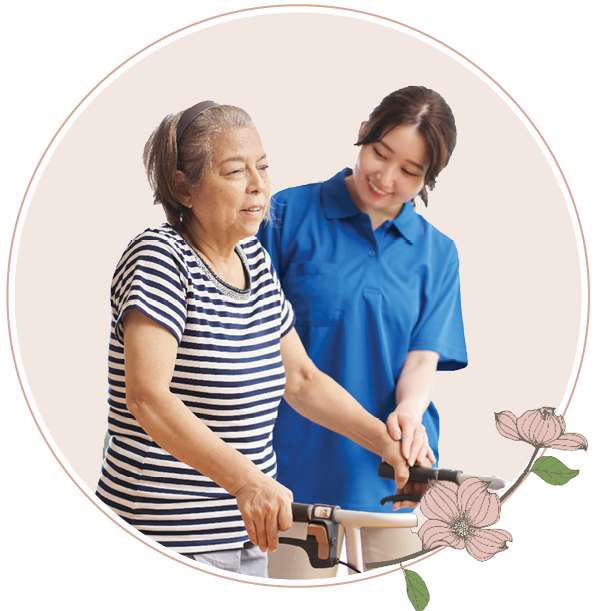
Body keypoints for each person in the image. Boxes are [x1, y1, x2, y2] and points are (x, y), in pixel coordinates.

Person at [95, 101, 414, 579]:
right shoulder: (160, 258)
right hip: (161, 537)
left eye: (262, 167)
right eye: (234, 171)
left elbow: (302, 379)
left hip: (243, 538)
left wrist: (381, 441)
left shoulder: (256, 266)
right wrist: (247, 480)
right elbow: (147, 398)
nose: (258, 185)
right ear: (184, 186)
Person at [257, 86, 468, 579]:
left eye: (410, 172)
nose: (386, 177)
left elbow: (422, 357)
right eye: (380, 153)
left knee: (400, 593)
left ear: (429, 178)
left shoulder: (438, 254)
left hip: (397, 467)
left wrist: (410, 413)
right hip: (290, 462)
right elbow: (256, 342)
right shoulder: (285, 215)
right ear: (362, 132)